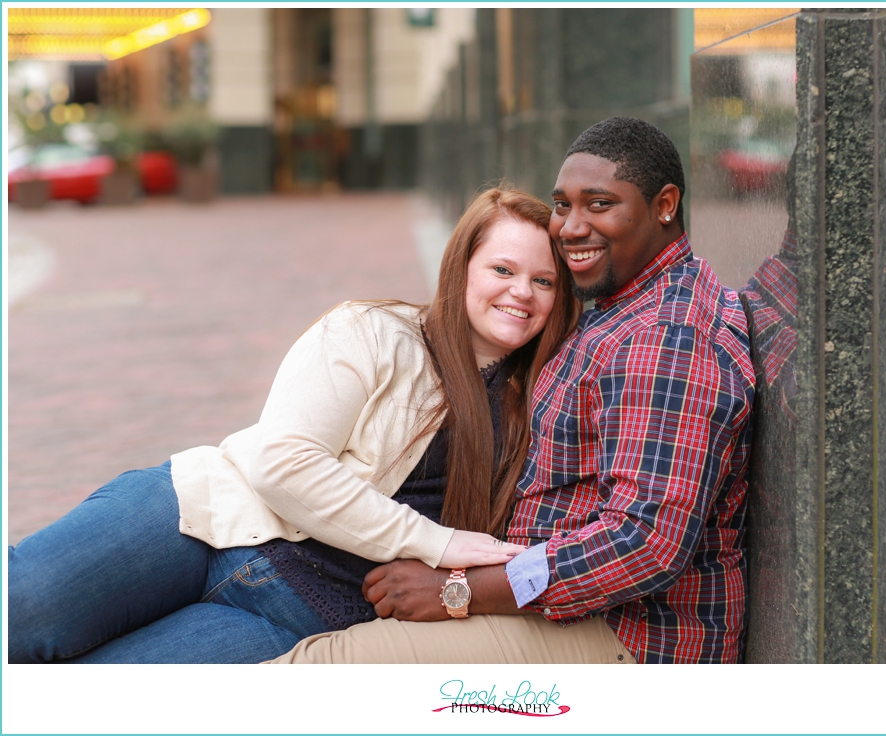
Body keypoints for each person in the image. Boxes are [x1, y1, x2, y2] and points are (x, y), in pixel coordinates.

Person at [8, 187, 580, 664]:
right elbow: (284, 463)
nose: (521, 292)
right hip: (196, 521)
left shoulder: (539, 403)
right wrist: (438, 543)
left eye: (544, 281)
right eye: (502, 269)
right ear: (461, 269)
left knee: (99, 699)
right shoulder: (375, 331)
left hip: (295, 614)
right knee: (22, 609)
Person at [269, 116, 756, 665]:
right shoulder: (630, 306)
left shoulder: (666, 339)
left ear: (665, 205)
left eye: (598, 205)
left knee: (310, 672)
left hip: (627, 636)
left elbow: (643, 543)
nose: (570, 227)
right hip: (563, 611)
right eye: (563, 205)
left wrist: (461, 591)